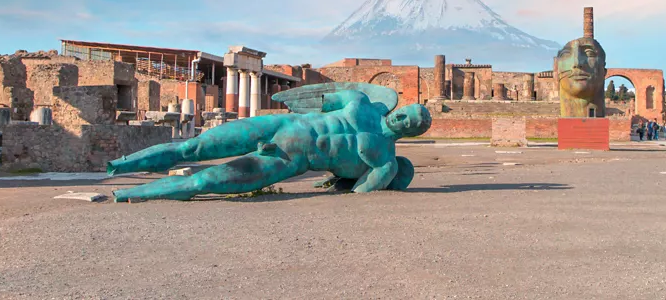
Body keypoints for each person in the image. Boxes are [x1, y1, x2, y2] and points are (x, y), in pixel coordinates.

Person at [107, 86, 432, 202]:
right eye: (405, 113)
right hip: (282, 125)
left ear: (414, 133)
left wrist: (344, 180)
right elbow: (317, 102)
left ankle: (129, 194)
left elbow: (361, 191)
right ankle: (121, 166)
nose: (402, 119)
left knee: (206, 180)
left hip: (291, 160)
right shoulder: (360, 102)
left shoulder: (385, 161)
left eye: (411, 123)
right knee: (192, 148)